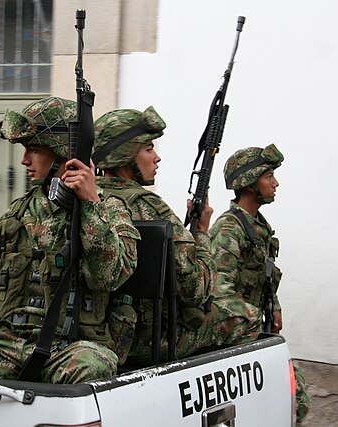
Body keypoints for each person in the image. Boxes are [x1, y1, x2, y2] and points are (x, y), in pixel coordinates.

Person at [0, 97, 139, 384]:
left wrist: (89, 203)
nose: (24, 160)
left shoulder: (109, 208)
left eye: (34, 149)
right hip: (5, 342)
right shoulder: (19, 210)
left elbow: (106, 277)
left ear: (63, 153)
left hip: (71, 346)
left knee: (91, 369)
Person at [92, 106, 258, 365]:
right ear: (124, 155)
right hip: (145, 341)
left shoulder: (86, 200)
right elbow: (196, 290)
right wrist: (201, 231)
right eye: (148, 149)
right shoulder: (150, 207)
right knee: (246, 316)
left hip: (95, 338)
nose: (156, 157)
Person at [208, 143, 308, 423]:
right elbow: (219, 291)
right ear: (249, 184)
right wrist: (251, 319)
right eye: (268, 176)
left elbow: (264, 274)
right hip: (233, 336)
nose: (275, 183)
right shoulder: (229, 229)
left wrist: (273, 305)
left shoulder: (256, 226)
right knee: (294, 398)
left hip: (251, 330)